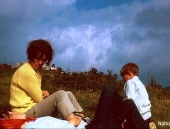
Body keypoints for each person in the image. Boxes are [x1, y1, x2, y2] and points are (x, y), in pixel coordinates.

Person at [2, 87, 156, 129]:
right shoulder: (30, 128)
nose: (13, 111)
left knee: (126, 104)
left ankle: (121, 124)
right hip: (90, 128)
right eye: (10, 115)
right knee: (110, 92)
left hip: (88, 124)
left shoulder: (31, 123)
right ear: (9, 125)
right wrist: (71, 124)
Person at [10, 39, 84, 121]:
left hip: (32, 108)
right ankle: (73, 122)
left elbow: (31, 92)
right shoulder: (27, 72)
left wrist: (41, 92)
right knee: (60, 94)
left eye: (43, 60)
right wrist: (44, 95)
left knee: (68, 94)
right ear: (31, 55)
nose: (40, 62)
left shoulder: (35, 72)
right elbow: (38, 99)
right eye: (38, 58)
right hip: (24, 112)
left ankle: (82, 117)